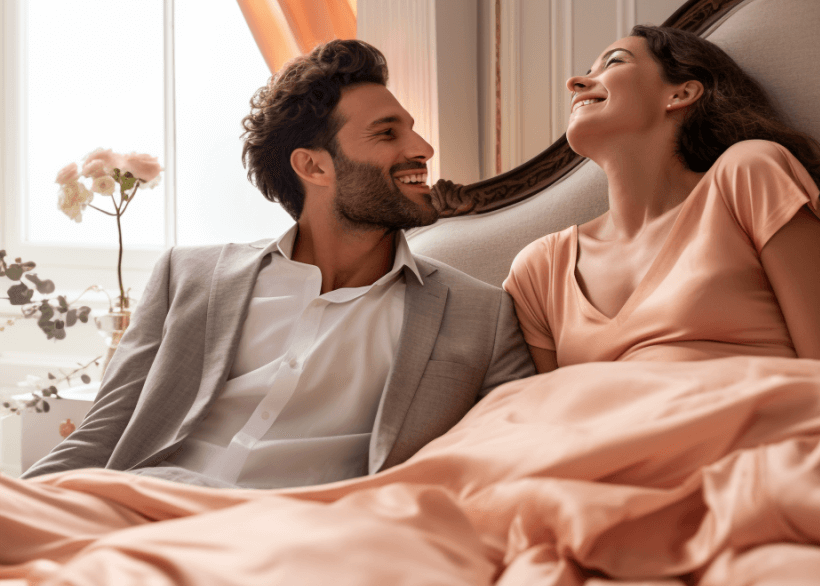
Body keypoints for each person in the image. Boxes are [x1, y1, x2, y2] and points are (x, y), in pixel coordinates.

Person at [23, 39, 535, 487]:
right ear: (313, 165)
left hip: (299, 540)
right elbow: (99, 437)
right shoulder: (188, 276)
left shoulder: (481, 315)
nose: (422, 148)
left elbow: (507, 465)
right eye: (387, 133)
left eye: (412, 131)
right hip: (139, 507)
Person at [504, 24, 820, 372]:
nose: (575, 82)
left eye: (614, 62)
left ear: (681, 93)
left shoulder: (748, 173)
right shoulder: (540, 269)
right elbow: (547, 419)